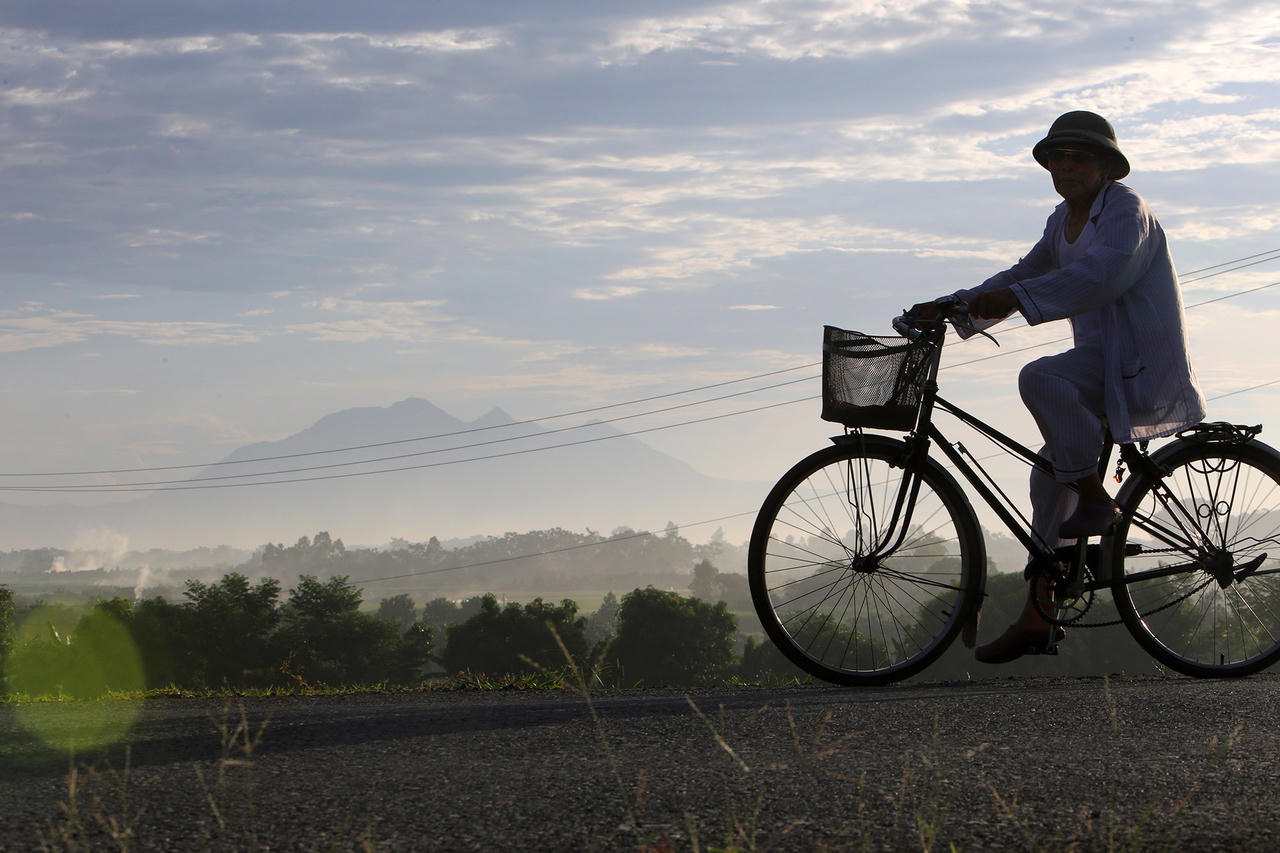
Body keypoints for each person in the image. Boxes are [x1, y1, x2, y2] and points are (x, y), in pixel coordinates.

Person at [910, 110, 1207, 664]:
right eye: (1058, 158)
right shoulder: (1061, 219)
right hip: (1097, 361)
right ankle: (1037, 618)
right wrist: (954, 303)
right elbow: (1025, 271)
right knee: (1050, 478)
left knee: (1040, 377)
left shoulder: (1126, 212)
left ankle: (1098, 502)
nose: (1066, 166)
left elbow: (1100, 276)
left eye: (1080, 157)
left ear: (1105, 166)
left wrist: (1017, 301)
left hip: (1136, 359)